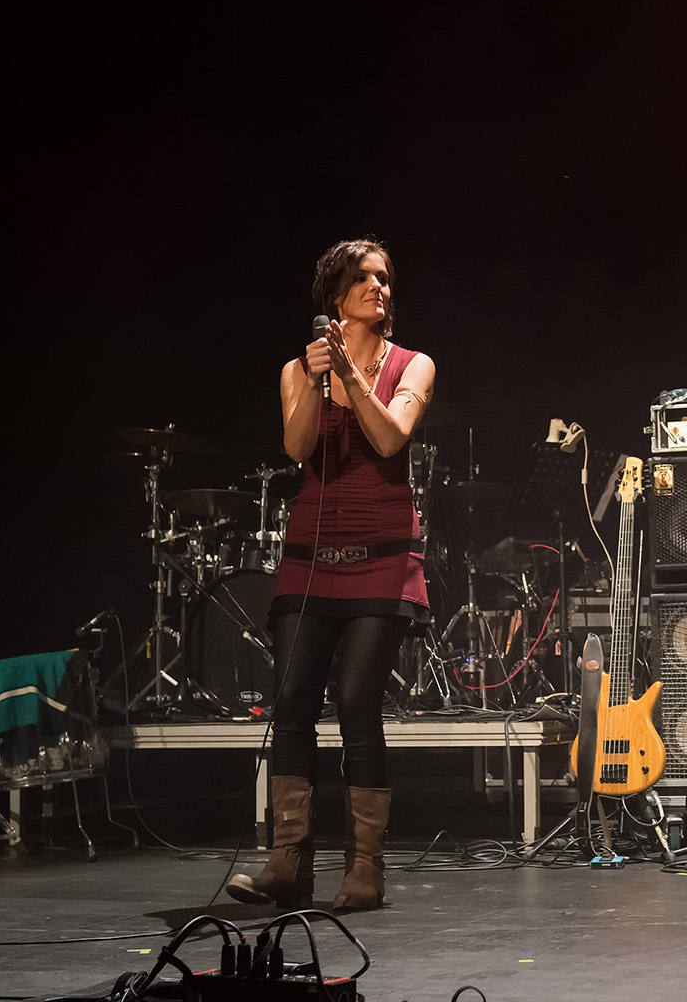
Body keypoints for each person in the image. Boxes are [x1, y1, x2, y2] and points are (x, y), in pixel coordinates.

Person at [227, 237, 436, 912]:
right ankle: (289, 862)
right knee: (291, 703)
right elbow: (296, 447)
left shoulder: (413, 365)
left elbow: (389, 438)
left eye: (385, 278)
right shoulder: (299, 370)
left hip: (385, 553)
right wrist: (321, 379)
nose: (380, 288)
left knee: (355, 703)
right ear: (335, 297)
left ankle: (365, 870)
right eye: (365, 278)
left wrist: (351, 376)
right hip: (310, 555)